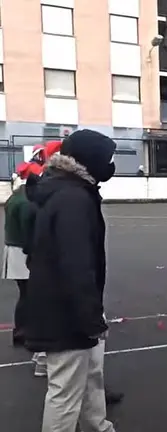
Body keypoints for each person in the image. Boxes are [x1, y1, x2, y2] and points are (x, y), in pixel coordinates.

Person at [24, 129, 119, 432]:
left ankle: (97, 426)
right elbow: (75, 265)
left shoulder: (65, 191)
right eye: (107, 160)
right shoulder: (73, 199)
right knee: (65, 391)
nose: (111, 165)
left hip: (65, 307)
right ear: (91, 161)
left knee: (91, 376)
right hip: (66, 312)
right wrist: (90, 318)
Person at [4, 163, 39, 348]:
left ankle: (21, 331)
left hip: (13, 248)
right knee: (29, 295)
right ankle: (24, 331)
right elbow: (28, 230)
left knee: (25, 294)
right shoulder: (26, 200)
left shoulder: (16, 196)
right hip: (21, 250)